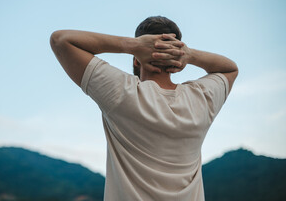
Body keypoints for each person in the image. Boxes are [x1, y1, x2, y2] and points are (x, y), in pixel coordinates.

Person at [50, 16, 238, 201]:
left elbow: (61, 40)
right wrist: (189, 55)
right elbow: (230, 69)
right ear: (177, 59)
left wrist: (132, 45)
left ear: (136, 60)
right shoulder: (201, 99)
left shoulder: (122, 93)